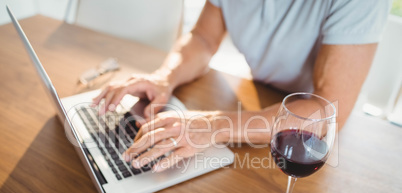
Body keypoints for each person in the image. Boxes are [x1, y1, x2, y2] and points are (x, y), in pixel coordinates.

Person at [92, 0, 392, 172]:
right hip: (257, 100)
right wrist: (165, 76)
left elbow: (328, 107)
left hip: (314, 136)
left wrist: (213, 125)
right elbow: (203, 39)